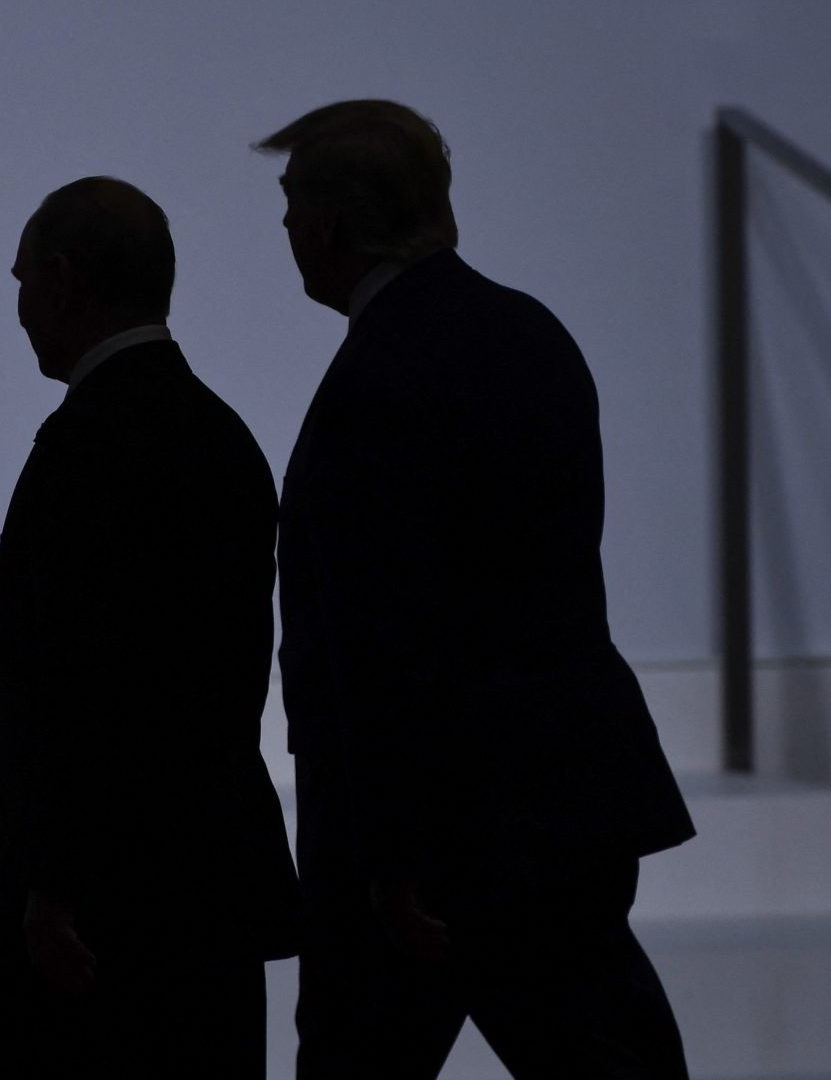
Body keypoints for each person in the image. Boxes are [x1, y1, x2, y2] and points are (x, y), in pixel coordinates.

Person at [257, 99, 698, 1078]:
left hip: (439, 841)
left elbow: (388, 638)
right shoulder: (529, 334)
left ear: (328, 224)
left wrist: (396, 852)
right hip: (562, 798)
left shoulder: (378, 380)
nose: (285, 229)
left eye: (290, 206)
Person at [0, 177, 301, 1079]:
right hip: (208, 891)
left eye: (21, 281)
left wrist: (53, 890)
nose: (19, 309)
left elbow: (83, 689)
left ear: (60, 280)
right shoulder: (224, 436)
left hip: (93, 918)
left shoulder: (86, 448)